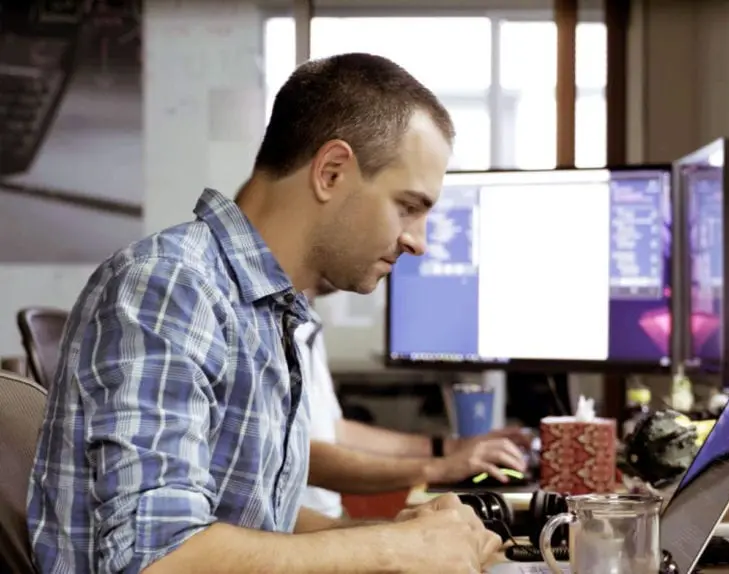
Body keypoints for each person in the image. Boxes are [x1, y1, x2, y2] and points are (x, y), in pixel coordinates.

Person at [27, 53, 501, 574]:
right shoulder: (171, 285)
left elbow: (255, 522)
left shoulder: (271, 310)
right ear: (332, 171)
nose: (418, 242)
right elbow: (159, 559)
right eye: (408, 207)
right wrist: (400, 550)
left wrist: (406, 536)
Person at [298, 283, 530, 519]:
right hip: (302, 531)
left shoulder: (305, 318)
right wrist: (440, 468)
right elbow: (303, 456)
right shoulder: (275, 326)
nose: (415, 248)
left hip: (326, 515)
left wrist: (447, 448)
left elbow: (336, 431)